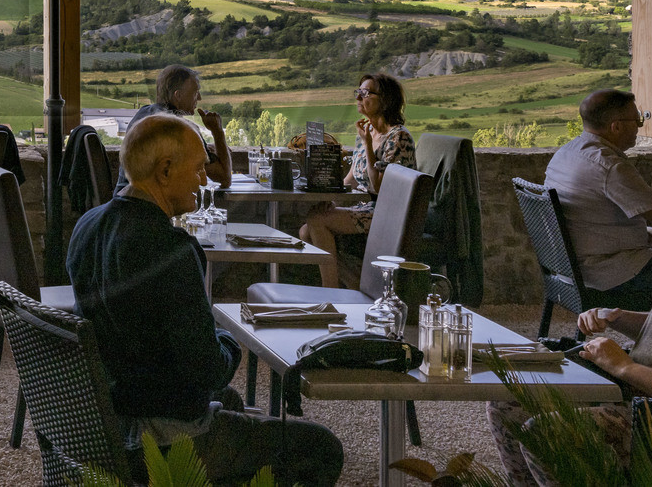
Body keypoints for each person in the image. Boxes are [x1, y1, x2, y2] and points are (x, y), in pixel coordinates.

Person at [68, 114, 344, 487]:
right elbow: (208, 368)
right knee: (321, 447)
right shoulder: (171, 249)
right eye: (198, 169)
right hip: (166, 441)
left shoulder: (86, 226)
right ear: (165, 171)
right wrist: (231, 340)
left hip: (108, 423)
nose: (204, 179)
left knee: (229, 401)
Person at [489, 146, 652, 486]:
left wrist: (624, 367)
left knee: (546, 433)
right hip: (633, 388)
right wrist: (619, 318)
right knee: (509, 398)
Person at [544, 89, 652, 309]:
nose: (640, 126)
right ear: (616, 126)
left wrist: (647, 237)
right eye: (637, 119)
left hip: (571, 274)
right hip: (612, 276)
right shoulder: (609, 167)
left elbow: (596, 221)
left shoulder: (565, 153)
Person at [299, 72, 416, 287]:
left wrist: (369, 146)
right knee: (305, 231)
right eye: (358, 92)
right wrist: (332, 199)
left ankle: (331, 292)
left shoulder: (399, 137)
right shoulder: (367, 133)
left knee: (316, 220)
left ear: (386, 99)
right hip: (366, 208)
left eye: (365, 93)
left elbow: (379, 186)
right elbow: (351, 179)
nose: (358, 98)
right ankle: (358, 284)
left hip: (387, 213)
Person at [117, 64, 232, 188]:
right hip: (150, 204)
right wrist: (217, 131)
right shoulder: (178, 128)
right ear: (178, 96)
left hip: (124, 196)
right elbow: (224, 178)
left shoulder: (144, 114)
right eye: (195, 92)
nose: (199, 97)